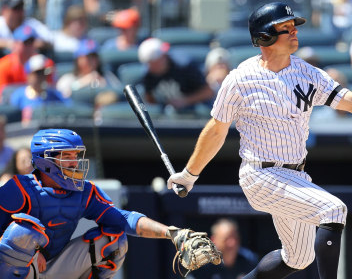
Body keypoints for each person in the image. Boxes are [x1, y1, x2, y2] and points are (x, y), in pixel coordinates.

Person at [166, 2, 352, 279]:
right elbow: (216, 130)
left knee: (298, 258)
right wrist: (189, 174)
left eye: (294, 26)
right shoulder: (240, 79)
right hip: (260, 174)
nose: (294, 31)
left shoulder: (306, 73)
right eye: (285, 28)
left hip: (295, 175)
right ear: (264, 37)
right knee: (333, 210)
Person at [0, 128, 219, 278]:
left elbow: (124, 219)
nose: (75, 162)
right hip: (20, 271)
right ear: (45, 160)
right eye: (67, 155)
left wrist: (172, 233)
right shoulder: (18, 188)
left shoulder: (83, 190)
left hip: (55, 266)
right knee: (23, 232)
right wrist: (33, 249)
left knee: (114, 239)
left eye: (76, 155)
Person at [138, 37, 214, 111]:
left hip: (193, 116)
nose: (166, 56)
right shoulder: (147, 76)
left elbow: (208, 92)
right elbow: (149, 99)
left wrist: (186, 101)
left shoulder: (184, 66)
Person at [192, 218, 258, 279]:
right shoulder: (201, 265)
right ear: (213, 241)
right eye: (226, 239)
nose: (232, 243)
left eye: (235, 238)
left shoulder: (249, 260)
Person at [0, 25, 54, 98]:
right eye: (25, 43)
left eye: (31, 42)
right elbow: (2, 96)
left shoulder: (45, 64)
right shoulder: (4, 65)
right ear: (15, 44)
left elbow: (50, 90)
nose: (29, 46)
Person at [56, 38, 121, 98]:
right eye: (87, 57)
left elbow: (119, 92)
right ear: (78, 59)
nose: (91, 61)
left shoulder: (107, 76)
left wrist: (105, 86)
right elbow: (61, 97)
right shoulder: (68, 79)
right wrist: (83, 82)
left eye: (94, 57)